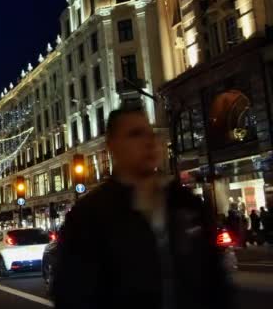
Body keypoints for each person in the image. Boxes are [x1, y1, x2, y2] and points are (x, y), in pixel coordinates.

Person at [53, 106, 233, 309]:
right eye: (135, 134)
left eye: (150, 134)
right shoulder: (88, 216)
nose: (148, 142)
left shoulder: (185, 203)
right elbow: (72, 293)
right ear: (112, 145)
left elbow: (216, 281)